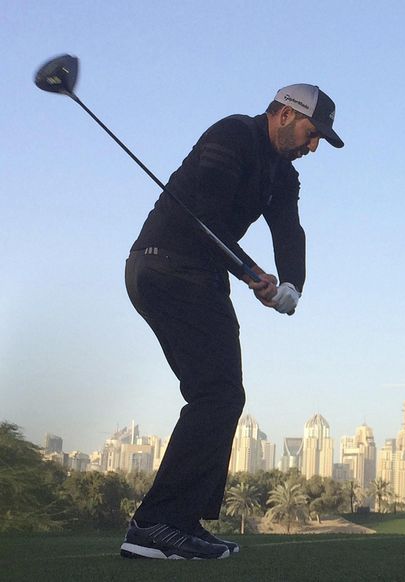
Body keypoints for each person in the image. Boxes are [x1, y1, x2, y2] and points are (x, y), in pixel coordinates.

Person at [119, 84, 343, 560]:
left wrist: (291, 285)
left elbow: (288, 228)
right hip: (166, 265)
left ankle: (177, 522)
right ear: (285, 114)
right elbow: (206, 217)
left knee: (220, 395)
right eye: (311, 132)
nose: (313, 145)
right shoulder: (233, 135)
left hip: (199, 276)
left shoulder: (282, 174)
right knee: (218, 394)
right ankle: (156, 524)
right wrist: (250, 272)